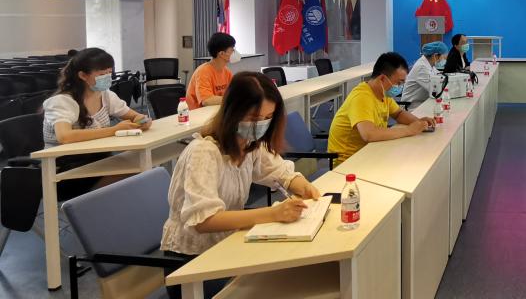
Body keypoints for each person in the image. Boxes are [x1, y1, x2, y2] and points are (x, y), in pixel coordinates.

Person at [161, 72, 320, 298]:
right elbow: (205, 221)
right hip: (191, 263)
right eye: (254, 118)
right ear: (233, 112)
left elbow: (279, 171)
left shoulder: (249, 144)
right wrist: (273, 214)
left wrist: (302, 186)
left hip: (227, 246)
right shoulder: (203, 152)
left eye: (268, 117)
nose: (261, 124)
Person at [42, 48, 153, 192]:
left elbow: (133, 116)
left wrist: (142, 120)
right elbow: (65, 136)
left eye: (109, 73)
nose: (108, 77)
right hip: (65, 168)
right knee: (137, 172)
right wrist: (114, 130)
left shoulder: (105, 95)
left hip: (98, 158)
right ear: (83, 75)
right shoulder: (62, 101)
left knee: (143, 166)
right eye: (102, 74)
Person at [327, 52, 437, 165]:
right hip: (349, 161)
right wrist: (409, 130)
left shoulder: (382, 93)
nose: (400, 87)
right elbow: (369, 134)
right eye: (399, 82)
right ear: (383, 78)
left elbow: (398, 113)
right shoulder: (361, 97)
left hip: (371, 152)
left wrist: (418, 122)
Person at [185, 32, 238, 110]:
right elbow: (207, 101)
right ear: (222, 54)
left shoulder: (226, 71)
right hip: (199, 114)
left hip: (215, 111)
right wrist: (233, 99)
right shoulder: (203, 72)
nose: (234, 52)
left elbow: (233, 92)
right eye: (232, 50)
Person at [402, 41, 449, 109]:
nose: (444, 60)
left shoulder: (430, 65)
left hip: (423, 102)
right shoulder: (421, 67)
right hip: (413, 106)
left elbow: (441, 78)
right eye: (443, 58)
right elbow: (435, 90)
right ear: (435, 56)